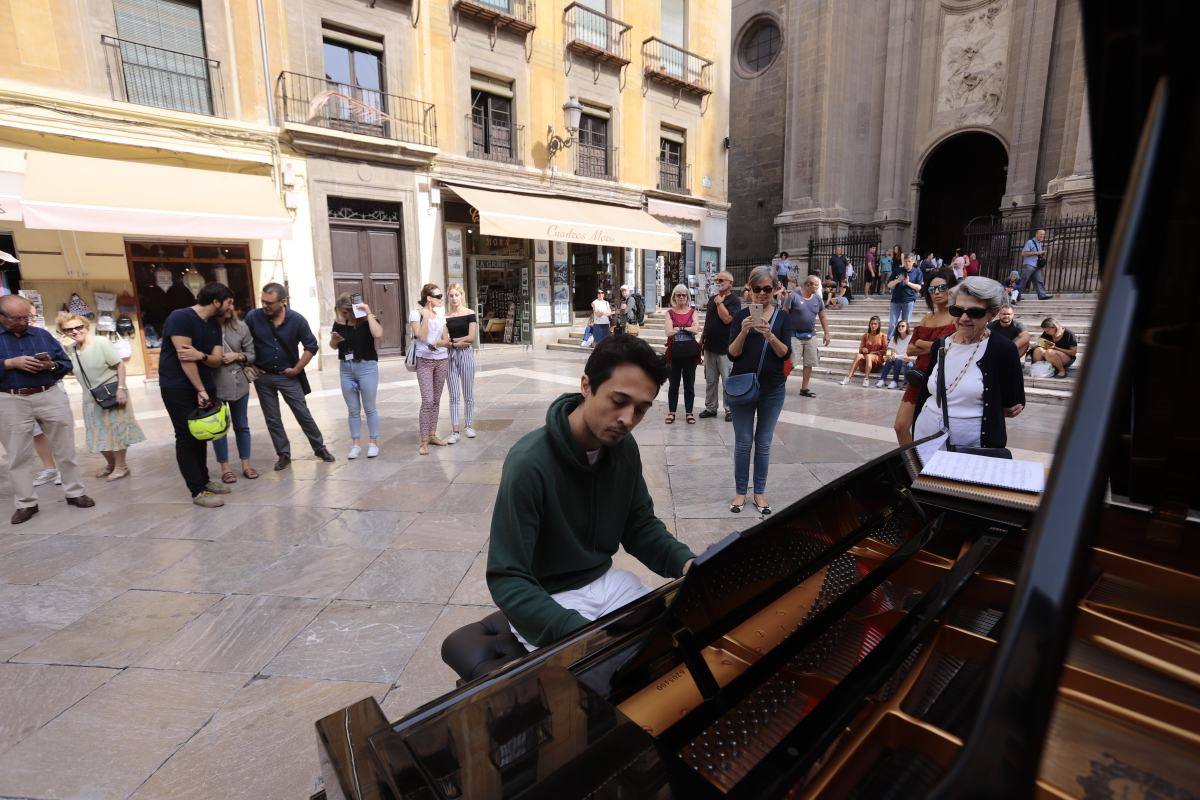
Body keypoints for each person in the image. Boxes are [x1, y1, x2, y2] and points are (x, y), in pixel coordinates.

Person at [486, 335, 696, 650]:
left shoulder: (623, 449)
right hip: (548, 598)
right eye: (619, 400)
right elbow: (508, 577)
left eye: (640, 409)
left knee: (676, 644)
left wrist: (687, 563)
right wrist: (579, 633)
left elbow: (639, 526)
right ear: (586, 386)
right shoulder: (530, 463)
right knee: (604, 675)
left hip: (607, 582)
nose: (627, 419)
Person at [0, 295, 94, 524]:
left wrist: (50, 364)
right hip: (11, 398)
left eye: (27, 317)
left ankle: (75, 492)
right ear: (2, 317)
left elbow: (65, 364)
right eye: (17, 318)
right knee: (17, 455)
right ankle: (26, 503)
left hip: (48, 393)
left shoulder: (41, 334)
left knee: (65, 447)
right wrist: (10, 363)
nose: (24, 322)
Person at [912, 277, 1025, 464]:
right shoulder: (940, 345)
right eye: (957, 310)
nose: (964, 318)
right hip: (926, 437)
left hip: (972, 447)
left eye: (975, 312)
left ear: (993, 313)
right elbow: (926, 391)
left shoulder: (1003, 349)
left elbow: (1013, 402)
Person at [158, 282, 235, 508]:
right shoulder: (180, 317)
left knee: (200, 435)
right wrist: (199, 389)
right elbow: (185, 359)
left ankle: (205, 480)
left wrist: (200, 355)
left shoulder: (213, 324)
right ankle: (197, 490)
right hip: (179, 387)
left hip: (202, 385)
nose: (231, 307)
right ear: (216, 301)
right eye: (229, 302)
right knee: (186, 436)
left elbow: (216, 359)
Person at [245, 282, 334, 471]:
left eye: (270, 303)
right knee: (272, 418)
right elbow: (243, 342)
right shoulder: (253, 317)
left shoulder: (297, 320)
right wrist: (250, 364)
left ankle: (319, 447)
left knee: (302, 413)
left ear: (282, 301)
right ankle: (283, 453)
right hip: (263, 376)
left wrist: (297, 368)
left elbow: (311, 345)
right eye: (263, 301)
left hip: (289, 375)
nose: (265, 306)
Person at [728, 266, 793, 516]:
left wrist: (770, 336)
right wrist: (744, 331)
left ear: (775, 289)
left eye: (767, 289)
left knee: (763, 443)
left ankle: (759, 493)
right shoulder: (740, 316)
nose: (763, 294)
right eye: (758, 289)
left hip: (772, 389)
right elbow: (732, 354)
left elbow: (785, 353)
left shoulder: (783, 318)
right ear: (750, 290)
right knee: (743, 443)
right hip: (743, 386)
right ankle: (740, 492)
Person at [58, 313, 145, 482]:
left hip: (112, 392)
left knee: (116, 431)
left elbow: (119, 365)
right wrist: (62, 350)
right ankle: (111, 464)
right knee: (97, 433)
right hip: (90, 397)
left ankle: (121, 466)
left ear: (86, 326)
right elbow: (69, 370)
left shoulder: (100, 342)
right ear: (63, 332)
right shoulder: (71, 348)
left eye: (78, 327)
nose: (75, 331)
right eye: (69, 329)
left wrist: (121, 388)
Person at [893, 268, 958, 445]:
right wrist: (932, 346)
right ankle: (914, 466)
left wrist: (923, 344)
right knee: (900, 426)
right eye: (931, 289)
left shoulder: (958, 318)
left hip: (944, 378)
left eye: (942, 288)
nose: (936, 293)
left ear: (952, 288)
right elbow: (911, 349)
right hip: (920, 376)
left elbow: (951, 348)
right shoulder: (926, 318)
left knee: (933, 430)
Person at [331, 292, 383, 459]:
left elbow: (378, 334)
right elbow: (332, 346)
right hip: (346, 368)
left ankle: (373, 443)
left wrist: (368, 312)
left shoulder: (369, 320)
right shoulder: (339, 323)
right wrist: (335, 340)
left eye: (345, 312)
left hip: (366, 366)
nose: (342, 315)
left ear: (353, 310)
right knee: (353, 410)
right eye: (341, 312)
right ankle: (355, 445)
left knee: (369, 408)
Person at [212, 301, 257, 482]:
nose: (231, 308)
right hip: (215, 384)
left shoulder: (241, 327)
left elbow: (252, 354)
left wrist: (237, 355)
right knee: (219, 428)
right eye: (227, 305)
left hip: (239, 383)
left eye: (232, 304)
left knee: (242, 425)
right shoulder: (206, 328)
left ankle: (246, 464)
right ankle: (225, 468)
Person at [410, 283, 451, 455]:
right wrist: (426, 316)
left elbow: (446, 339)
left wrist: (438, 343)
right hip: (424, 361)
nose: (442, 299)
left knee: (435, 400)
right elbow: (420, 335)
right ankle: (424, 440)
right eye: (438, 296)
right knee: (427, 400)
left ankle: (432, 434)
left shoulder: (441, 316)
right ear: (429, 298)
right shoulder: (415, 313)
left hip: (441, 359)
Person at [699, 270, 740, 421]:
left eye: (722, 279)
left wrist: (720, 303)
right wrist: (702, 338)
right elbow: (708, 321)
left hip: (725, 348)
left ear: (730, 283)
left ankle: (729, 410)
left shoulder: (734, 301)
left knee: (727, 380)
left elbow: (727, 320)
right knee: (710, 380)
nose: (719, 282)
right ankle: (711, 408)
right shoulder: (712, 299)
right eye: (717, 280)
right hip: (709, 346)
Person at [782, 274, 830, 398]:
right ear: (808, 285)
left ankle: (804, 388)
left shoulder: (817, 299)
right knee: (790, 362)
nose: (818, 287)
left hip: (810, 335)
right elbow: (784, 313)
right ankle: (779, 384)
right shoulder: (794, 295)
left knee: (809, 363)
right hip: (794, 335)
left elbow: (822, 316)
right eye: (816, 285)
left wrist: (827, 333)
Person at [444, 283, 478, 444]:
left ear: (462, 295)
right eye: (451, 295)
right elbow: (445, 340)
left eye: (456, 295)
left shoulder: (470, 313)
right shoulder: (446, 317)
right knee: (453, 395)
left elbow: (471, 338)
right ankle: (455, 430)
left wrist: (455, 341)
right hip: (450, 355)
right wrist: (456, 343)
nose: (454, 298)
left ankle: (469, 425)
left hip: (466, 354)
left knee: (468, 392)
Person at [663, 284, 700, 424]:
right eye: (678, 295)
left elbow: (696, 329)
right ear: (674, 297)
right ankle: (672, 412)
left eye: (684, 295)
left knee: (689, 384)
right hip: (674, 353)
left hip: (690, 353)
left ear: (687, 297)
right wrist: (687, 328)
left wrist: (679, 327)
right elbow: (668, 332)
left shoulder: (693, 311)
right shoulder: (669, 313)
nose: (681, 297)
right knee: (673, 384)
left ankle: (689, 413)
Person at [840, 315, 888, 386]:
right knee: (858, 355)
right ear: (869, 324)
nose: (873, 325)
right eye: (871, 324)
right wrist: (862, 349)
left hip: (877, 361)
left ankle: (866, 379)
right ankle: (848, 378)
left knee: (869, 356)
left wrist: (874, 352)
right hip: (866, 362)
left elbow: (885, 351)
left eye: (875, 324)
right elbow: (860, 349)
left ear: (879, 325)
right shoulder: (865, 335)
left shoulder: (883, 336)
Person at [886, 253, 924, 338]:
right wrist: (898, 280)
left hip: (909, 300)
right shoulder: (897, 270)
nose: (907, 263)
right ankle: (889, 342)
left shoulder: (917, 272)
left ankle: (903, 343)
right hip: (895, 300)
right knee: (892, 323)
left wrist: (908, 283)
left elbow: (919, 287)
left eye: (909, 261)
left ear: (913, 261)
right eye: (906, 261)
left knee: (905, 324)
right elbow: (889, 285)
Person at [877, 319, 915, 388]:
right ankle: (882, 379)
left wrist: (897, 356)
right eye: (899, 326)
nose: (900, 327)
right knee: (889, 360)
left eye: (903, 326)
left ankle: (895, 381)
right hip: (895, 358)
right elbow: (889, 349)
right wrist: (888, 355)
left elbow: (911, 353)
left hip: (906, 359)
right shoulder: (894, 338)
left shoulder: (911, 337)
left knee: (898, 360)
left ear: (907, 328)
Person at [1020, 229, 1054, 300]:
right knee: (1023, 280)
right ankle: (1017, 295)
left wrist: (1041, 255)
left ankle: (1042, 295)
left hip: (1036, 265)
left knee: (1039, 280)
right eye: (1041, 234)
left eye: (1043, 234)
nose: (1042, 236)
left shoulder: (1039, 243)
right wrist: (1037, 253)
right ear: (1037, 234)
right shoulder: (1030, 242)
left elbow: (1037, 254)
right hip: (1029, 265)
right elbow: (1023, 253)